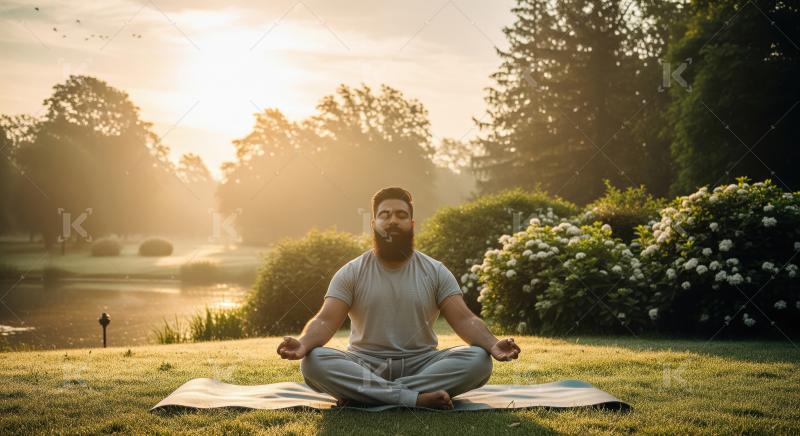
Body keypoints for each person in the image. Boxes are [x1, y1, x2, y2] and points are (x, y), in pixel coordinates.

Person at [276, 187, 521, 409]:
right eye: (385, 215)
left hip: (423, 364)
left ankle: (366, 395)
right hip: (365, 364)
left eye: (401, 215)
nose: (393, 220)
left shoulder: (435, 271)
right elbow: (325, 321)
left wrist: (492, 344)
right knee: (314, 362)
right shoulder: (352, 271)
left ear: (412, 224)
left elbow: (465, 319)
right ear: (374, 223)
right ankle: (414, 398)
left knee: (479, 360)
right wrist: (303, 343)